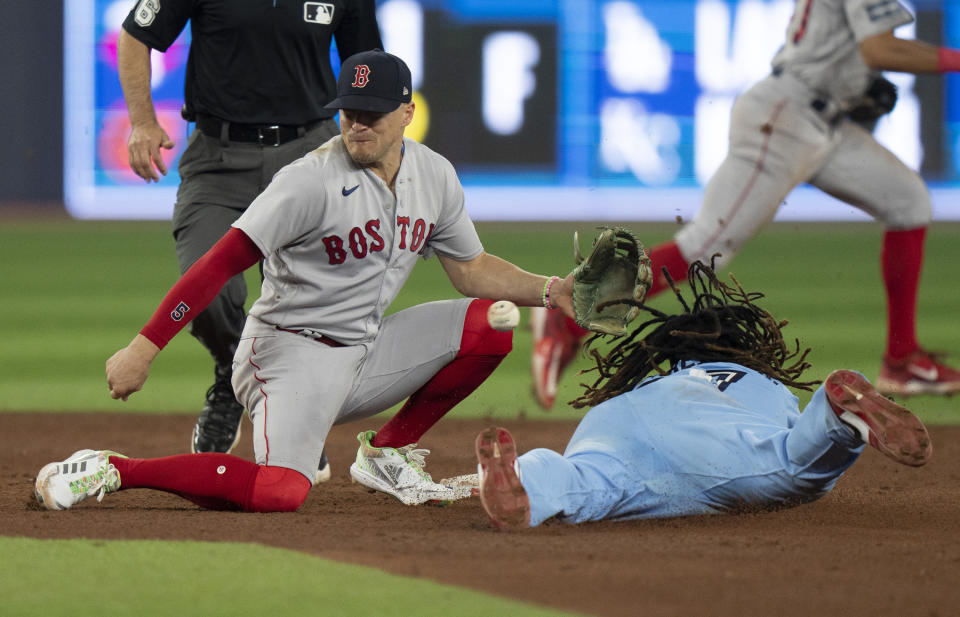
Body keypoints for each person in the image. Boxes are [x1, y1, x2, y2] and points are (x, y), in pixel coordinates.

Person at [34, 50, 579, 513]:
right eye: (349, 113)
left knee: (490, 327)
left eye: (373, 113)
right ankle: (114, 468)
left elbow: (472, 270)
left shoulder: (434, 175)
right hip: (286, 356)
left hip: (366, 351)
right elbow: (220, 264)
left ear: (407, 112)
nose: (358, 125)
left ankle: (386, 455)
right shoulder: (307, 182)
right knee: (281, 492)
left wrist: (552, 290)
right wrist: (144, 346)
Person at [531, 0, 960, 409]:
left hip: (824, 121)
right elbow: (879, 47)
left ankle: (902, 362)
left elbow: (848, 47)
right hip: (785, 118)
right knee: (704, 250)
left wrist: (856, 84)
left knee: (909, 202)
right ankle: (569, 316)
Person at [117, 0, 383, 483]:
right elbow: (136, 34)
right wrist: (141, 120)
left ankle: (290, 415)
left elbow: (367, 70)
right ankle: (231, 373)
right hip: (219, 159)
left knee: (311, 298)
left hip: (312, 155)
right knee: (209, 291)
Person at [478, 261, 933, 530]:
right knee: (795, 466)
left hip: (618, 421)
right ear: (749, 350)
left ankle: (525, 478)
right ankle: (839, 418)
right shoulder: (764, 383)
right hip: (712, 449)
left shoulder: (652, 379)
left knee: (581, 480)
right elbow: (792, 446)